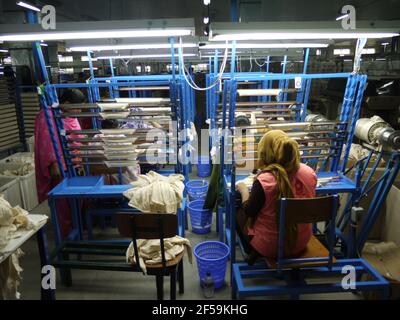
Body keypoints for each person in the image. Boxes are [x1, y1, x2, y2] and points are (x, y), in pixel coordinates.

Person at [235, 129, 317, 263]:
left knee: (238, 213)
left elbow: (249, 210)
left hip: (270, 247)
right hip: (300, 242)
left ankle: (253, 251)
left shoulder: (265, 180)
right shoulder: (309, 173)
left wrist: (244, 190)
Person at [34, 88, 85, 238]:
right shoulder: (47, 116)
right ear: (67, 103)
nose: (80, 111)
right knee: (62, 204)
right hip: (59, 168)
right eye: (77, 107)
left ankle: (76, 229)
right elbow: (46, 142)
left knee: (75, 202)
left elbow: (77, 138)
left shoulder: (69, 115)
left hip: (74, 165)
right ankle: (66, 237)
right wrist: (54, 165)